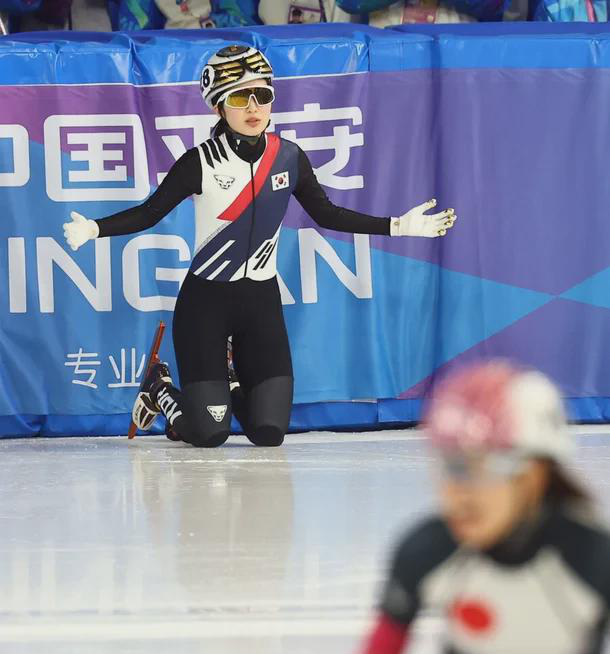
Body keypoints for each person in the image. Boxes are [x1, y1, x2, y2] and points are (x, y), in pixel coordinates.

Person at [63, 44, 457, 448]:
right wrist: (94, 229)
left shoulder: (288, 157)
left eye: (262, 95)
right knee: (209, 433)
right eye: (238, 97)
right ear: (218, 107)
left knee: (268, 433)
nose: (253, 107)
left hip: (261, 304)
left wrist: (399, 225)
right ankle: (160, 389)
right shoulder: (201, 162)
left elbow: (328, 215)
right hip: (206, 306)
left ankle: (230, 385)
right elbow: (149, 213)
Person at [362, 359, 610, 653]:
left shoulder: (594, 556)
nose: (460, 495)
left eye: (482, 469)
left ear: (533, 476)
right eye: (451, 468)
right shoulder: (427, 549)